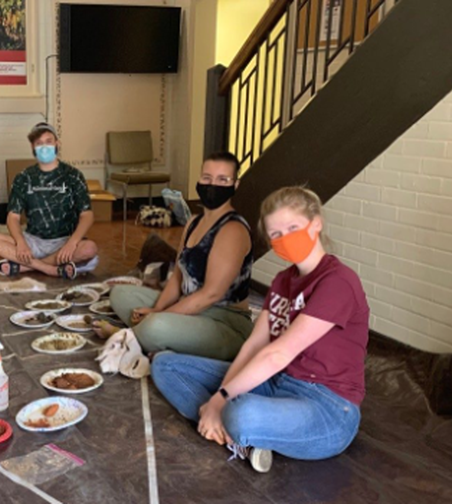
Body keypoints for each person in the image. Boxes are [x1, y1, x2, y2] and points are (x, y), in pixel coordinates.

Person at [153, 186, 369, 473]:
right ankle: (239, 437)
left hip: (327, 407)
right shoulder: (283, 281)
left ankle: (232, 426)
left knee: (240, 412)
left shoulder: (338, 282)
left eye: (292, 228)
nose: (284, 238)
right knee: (165, 365)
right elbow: (254, 345)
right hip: (276, 384)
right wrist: (220, 398)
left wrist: (221, 399)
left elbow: (277, 354)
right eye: (276, 234)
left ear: (316, 223)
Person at [99, 152, 253, 360]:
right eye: (207, 178)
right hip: (189, 307)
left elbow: (211, 295)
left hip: (224, 323)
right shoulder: (193, 222)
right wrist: (157, 307)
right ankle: (157, 340)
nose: (213, 185)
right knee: (120, 294)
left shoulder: (233, 229)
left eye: (222, 180)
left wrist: (158, 315)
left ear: (235, 185)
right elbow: (178, 277)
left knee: (156, 325)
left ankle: (128, 337)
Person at [0, 122, 98, 280]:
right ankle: (49, 268)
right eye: (39, 143)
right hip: (32, 242)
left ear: (57, 143)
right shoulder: (23, 178)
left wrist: (73, 242)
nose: (44, 147)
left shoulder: (73, 175)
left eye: (49, 141)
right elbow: (13, 217)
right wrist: (21, 242)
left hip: (64, 242)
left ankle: (24, 266)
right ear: (32, 147)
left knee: (89, 249)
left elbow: (87, 215)